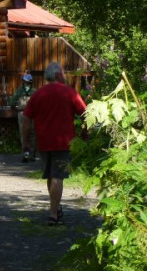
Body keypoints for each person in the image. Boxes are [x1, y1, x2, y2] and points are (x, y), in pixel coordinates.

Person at [22, 62, 87, 226]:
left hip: (43, 141)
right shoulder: (70, 93)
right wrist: (85, 133)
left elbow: (26, 119)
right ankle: (53, 214)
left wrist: (26, 142)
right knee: (58, 176)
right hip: (64, 142)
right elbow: (86, 114)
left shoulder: (38, 94)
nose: (65, 76)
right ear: (58, 75)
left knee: (50, 176)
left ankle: (56, 208)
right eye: (63, 73)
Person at [10, 71, 36, 162]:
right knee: (32, 134)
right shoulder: (34, 91)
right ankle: (31, 156)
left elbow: (12, 102)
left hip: (22, 113)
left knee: (24, 135)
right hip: (31, 114)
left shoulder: (20, 90)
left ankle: (26, 156)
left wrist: (15, 109)